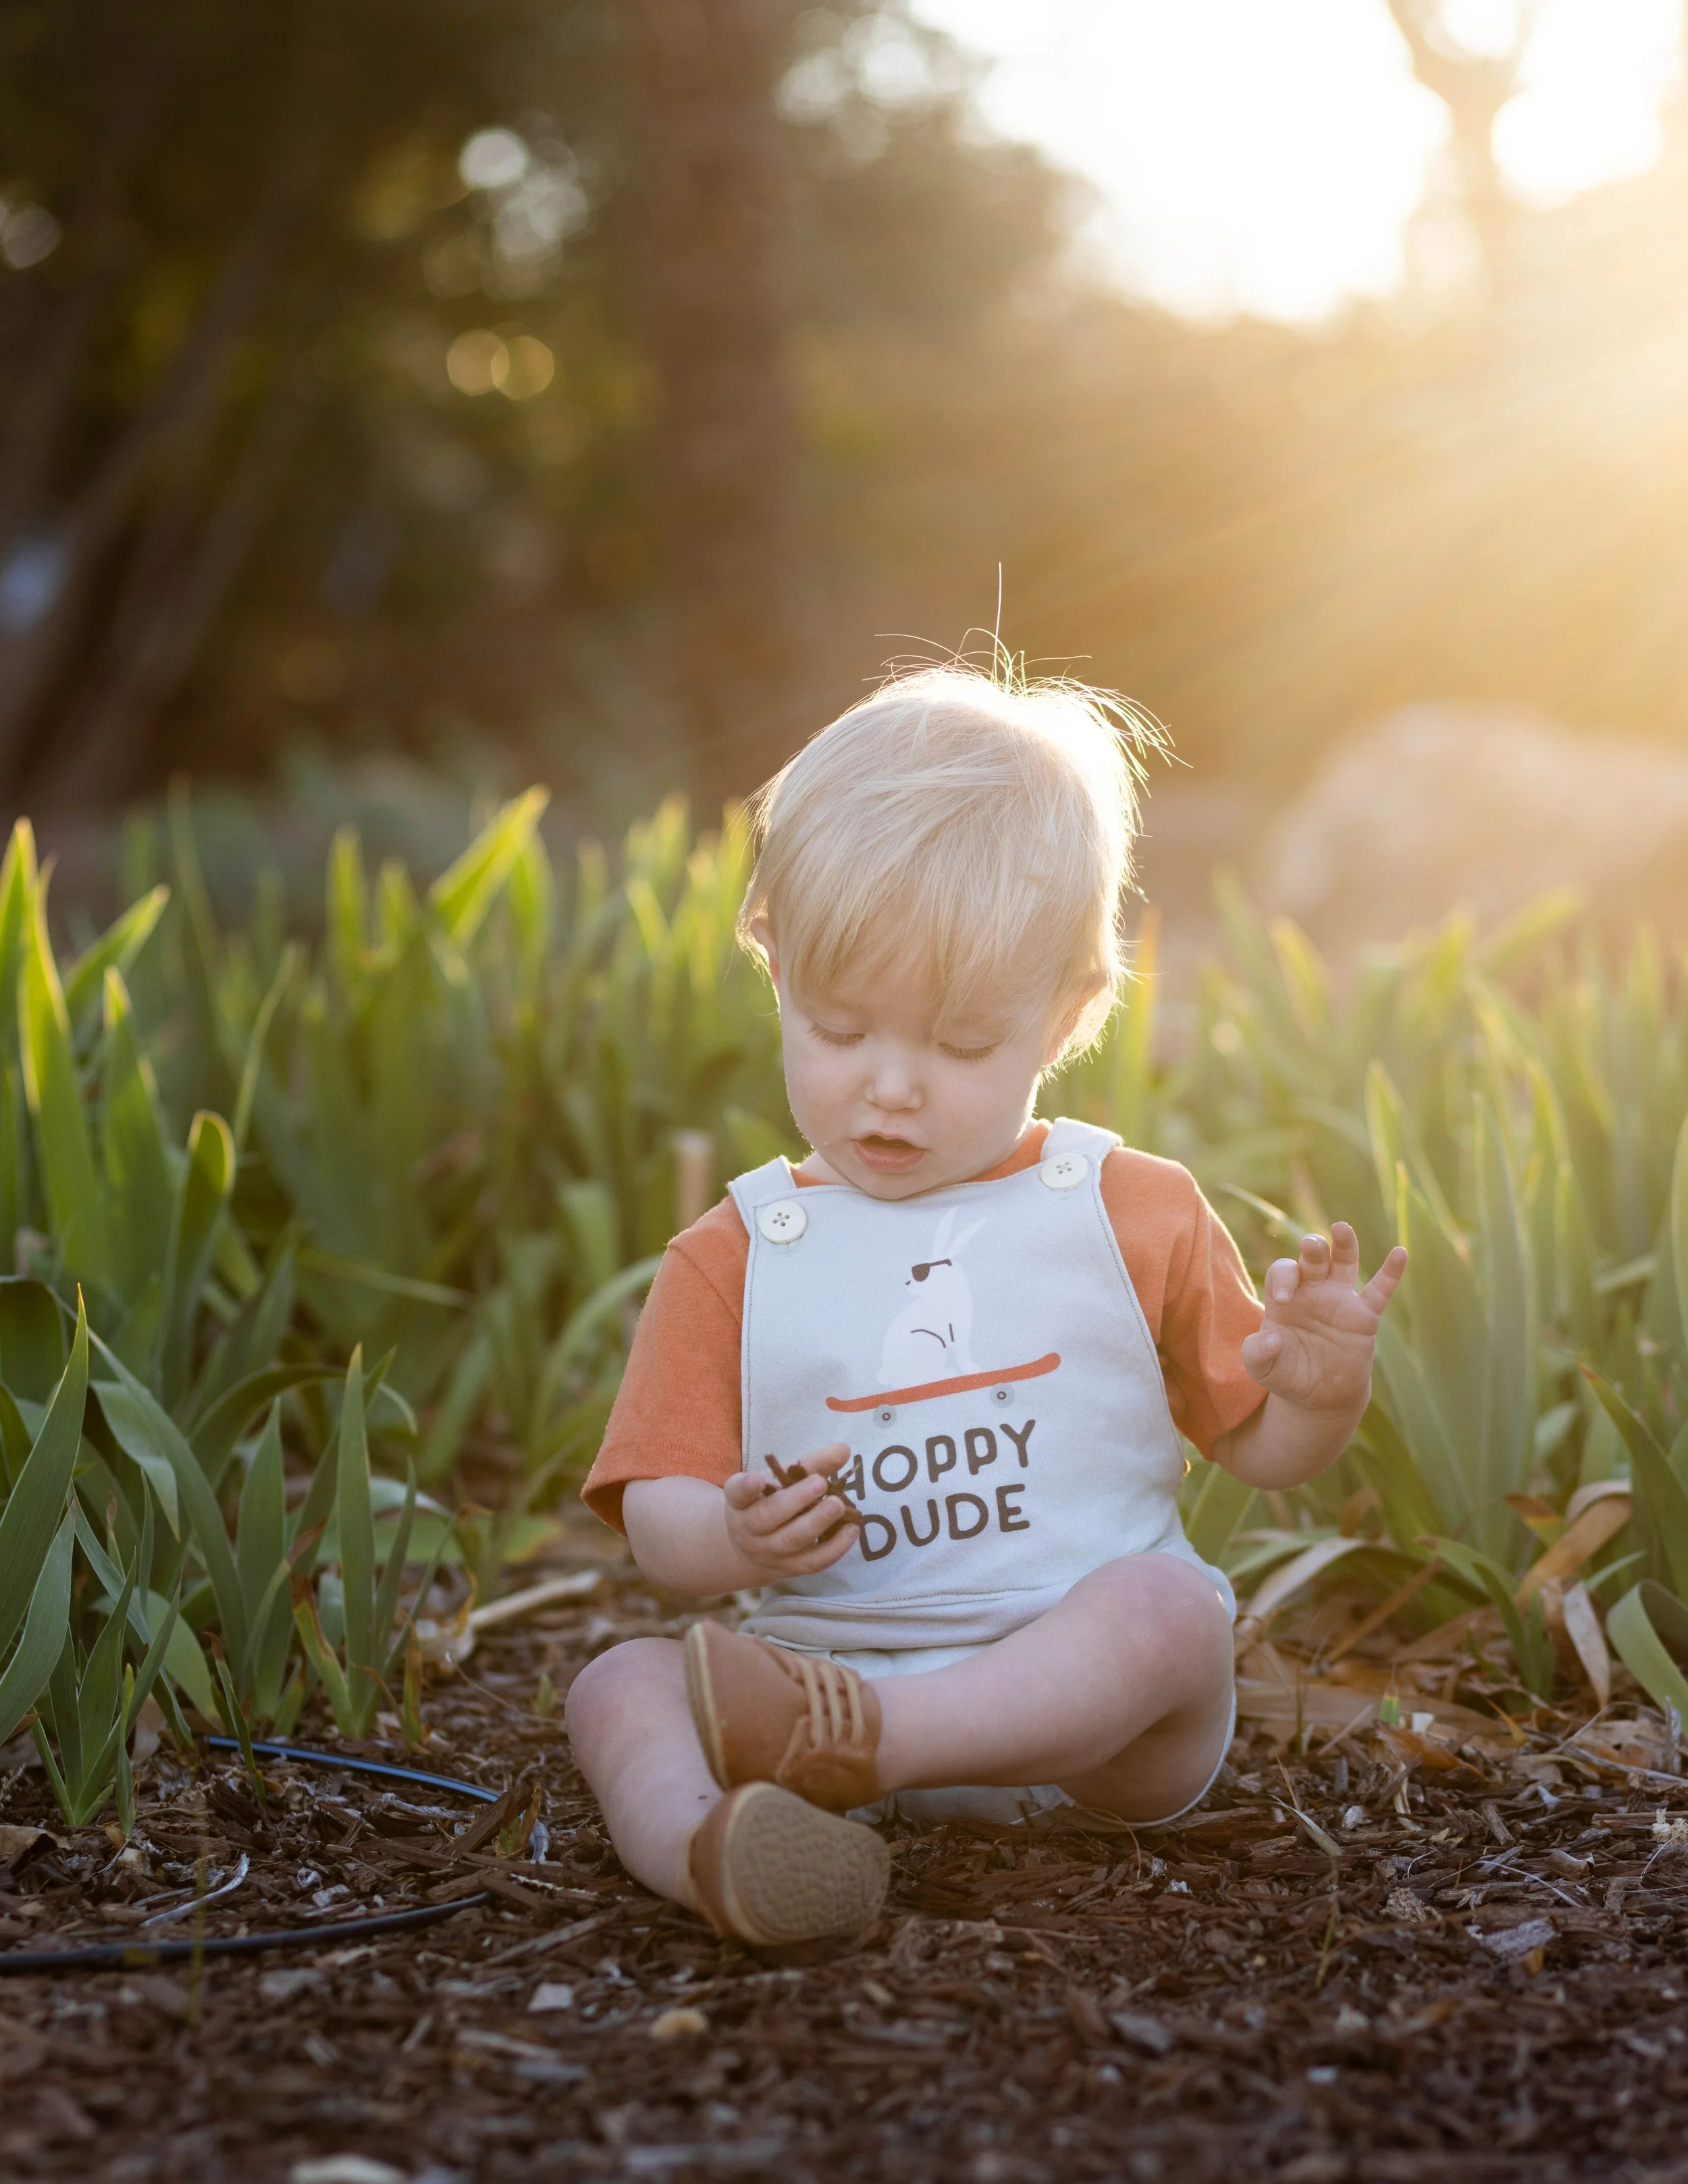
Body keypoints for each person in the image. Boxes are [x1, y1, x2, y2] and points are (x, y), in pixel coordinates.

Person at [567, 665, 1406, 1947]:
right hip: (819, 1677)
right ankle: (727, 1854)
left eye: (962, 1047)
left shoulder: (1126, 1207)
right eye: (840, 1029)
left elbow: (1263, 1451)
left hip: (1090, 1730)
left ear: (1067, 1014)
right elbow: (663, 1529)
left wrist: (1320, 1384)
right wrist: (735, 1536)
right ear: (774, 966)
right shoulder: (738, 1251)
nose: (892, 1089)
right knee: (618, 1685)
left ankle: (877, 1751)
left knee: (1171, 1610)